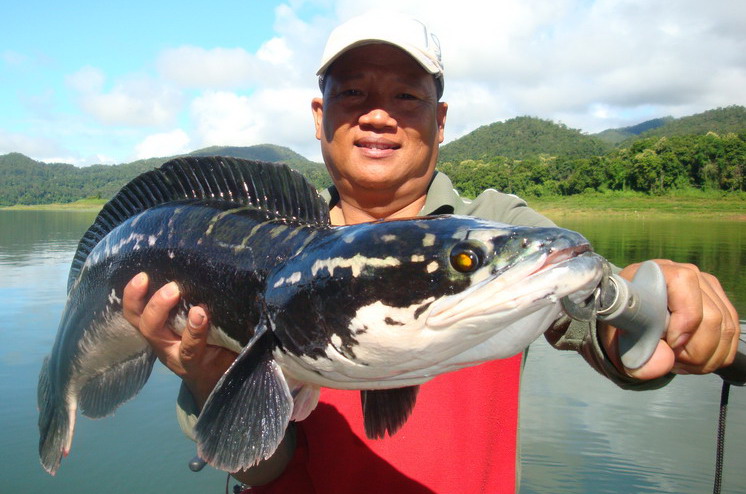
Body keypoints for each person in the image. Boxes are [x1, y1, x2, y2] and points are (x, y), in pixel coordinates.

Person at [122, 12, 740, 494]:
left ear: (440, 121)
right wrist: (206, 378)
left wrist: (657, 300)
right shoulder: (254, 248)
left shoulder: (495, 228)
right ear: (319, 115)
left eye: (407, 98)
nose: (378, 117)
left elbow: (592, 308)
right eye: (354, 93)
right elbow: (263, 470)